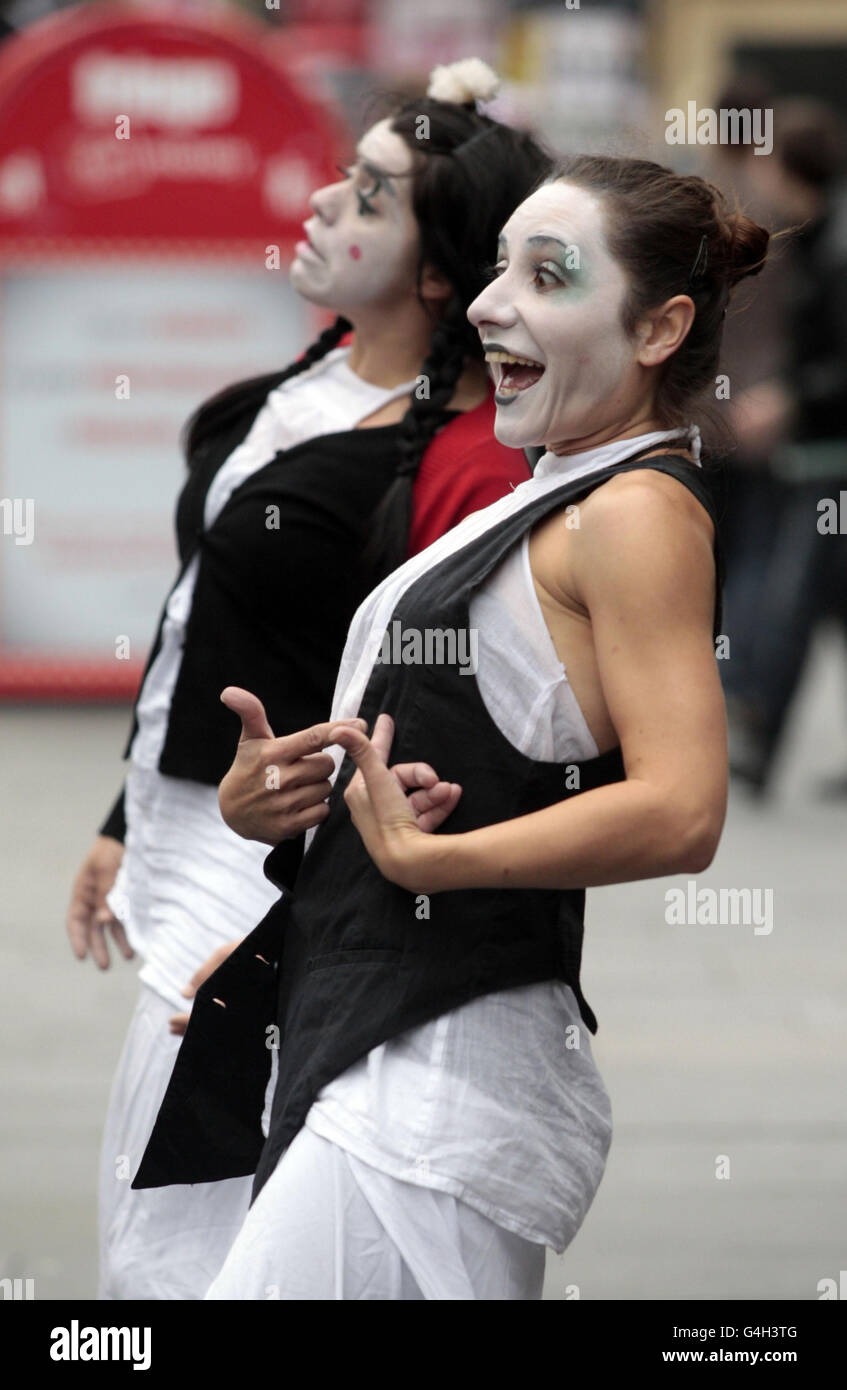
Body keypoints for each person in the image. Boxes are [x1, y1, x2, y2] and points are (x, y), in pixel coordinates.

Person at [134, 156, 769, 1301]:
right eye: (495, 269)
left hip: (435, 1089)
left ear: (660, 327)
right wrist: (288, 803)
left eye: (549, 275)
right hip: (380, 1056)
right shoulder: (559, 484)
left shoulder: (632, 511)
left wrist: (437, 858)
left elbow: (683, 808)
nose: (488, 304)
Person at [64, 59, 552, 1300]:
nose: (327, 201)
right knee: (142, 1215)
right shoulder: (314, 373)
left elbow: (433, 693)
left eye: (371, 195)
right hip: (184, 827)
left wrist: (292, 926)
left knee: (198, 1221)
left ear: (441, 269)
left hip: (270, 865)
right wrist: (127, 818)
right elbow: (195, 619)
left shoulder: (454, 458)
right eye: (344, 172)